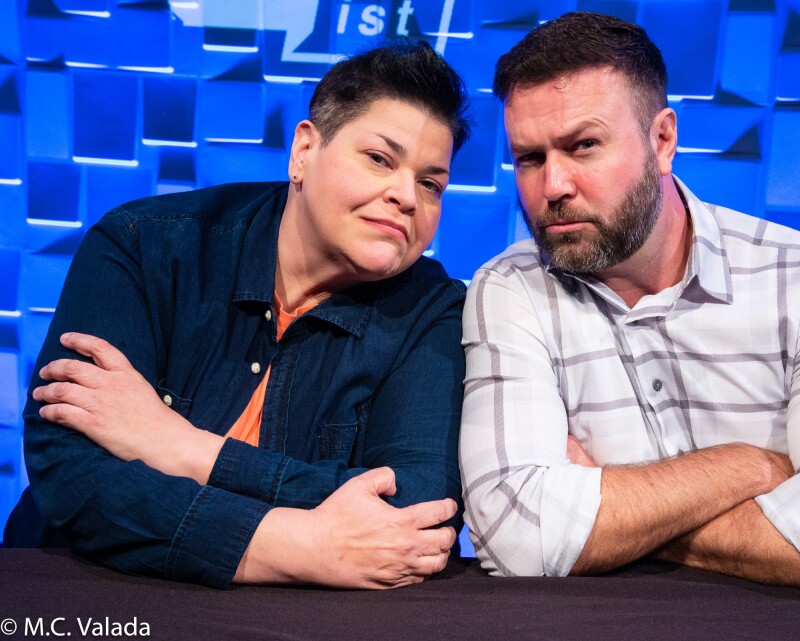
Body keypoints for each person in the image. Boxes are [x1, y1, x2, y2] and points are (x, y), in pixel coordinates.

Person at [459, 12, 800, 601]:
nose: (553, 186)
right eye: (529, 158)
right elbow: (515, 538)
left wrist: (600, 499)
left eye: (584, 146)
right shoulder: (509, 288)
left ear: (663, 140)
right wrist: (748, 468)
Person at [5, 40, 471, 590]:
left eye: (430, 183)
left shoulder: (432, 308)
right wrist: (297, 545)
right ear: (303, 151)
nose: (406, 196)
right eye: (379, 159)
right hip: (84, 589)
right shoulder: (143, 245)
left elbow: (416, 509)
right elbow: (72, 467)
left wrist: (179, 446)